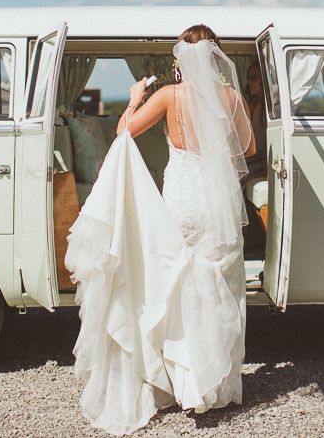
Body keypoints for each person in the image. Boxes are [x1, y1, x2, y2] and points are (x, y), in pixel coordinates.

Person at [65, 25, 255, 435]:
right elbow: (249, 149)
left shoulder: (169, 95)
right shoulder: (232, 98)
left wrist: (134, 100)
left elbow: (123, 135)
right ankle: (215, 386)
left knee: (178, 284)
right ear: (215, 59)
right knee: (220, 286)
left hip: (183, 200)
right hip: (219, 206)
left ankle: (180, 382)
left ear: (179, 61)